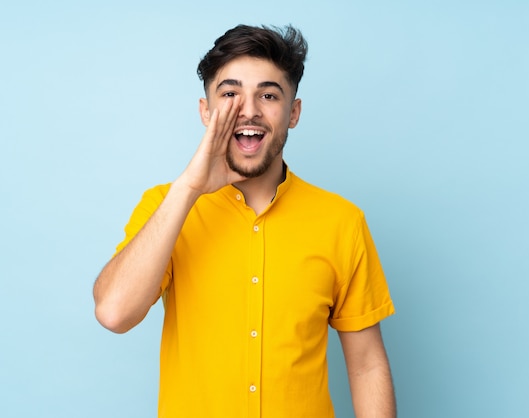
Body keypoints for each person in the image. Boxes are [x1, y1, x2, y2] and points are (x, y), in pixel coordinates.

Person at [93, 24, 396, 418]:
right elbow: (114, 313)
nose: (248, 109)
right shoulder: (165, 206)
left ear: (294, 113)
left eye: (268, 95)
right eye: (230, 93)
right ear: (206, 112)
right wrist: (188, 189)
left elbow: (366, 364)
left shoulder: (342, 221)